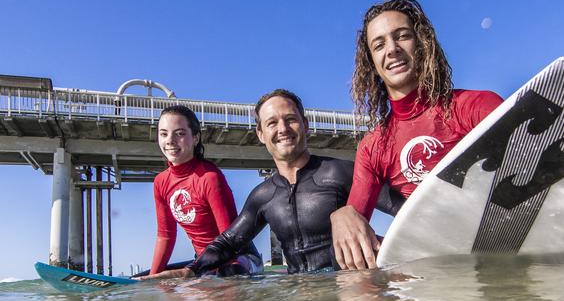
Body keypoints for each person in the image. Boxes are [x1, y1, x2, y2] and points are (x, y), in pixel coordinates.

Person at [330, 0, 564, 270]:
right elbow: (355, 228)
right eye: (379, 44)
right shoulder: (374, 146)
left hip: (521, 249)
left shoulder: (474, 106)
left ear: (422, 44)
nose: (393, 50)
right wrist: (342, 215)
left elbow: (557, 156)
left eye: (402, 36)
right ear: (371, 62)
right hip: (441, 265)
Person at [138, 89, 404, 279]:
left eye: (290, 119)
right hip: (296, 295)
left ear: (305, 125)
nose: (283, 129)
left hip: (348, 291)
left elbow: (406, 210)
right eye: (272, 123)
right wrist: (191, 271)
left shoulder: (342, 172)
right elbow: (228, 242)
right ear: (261, 135)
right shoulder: (263, 196)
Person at [135, 105, 262, 278]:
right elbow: (166, 235)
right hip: (202, 261)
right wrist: (152, 279)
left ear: (195, 138)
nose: (170, 140)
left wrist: (206, 272)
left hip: (239, 258)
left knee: (227, 274)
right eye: (164, 134)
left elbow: (230, 238)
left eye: (179, 133)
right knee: (141, 277)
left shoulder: (209, 177)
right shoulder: (161, 182)